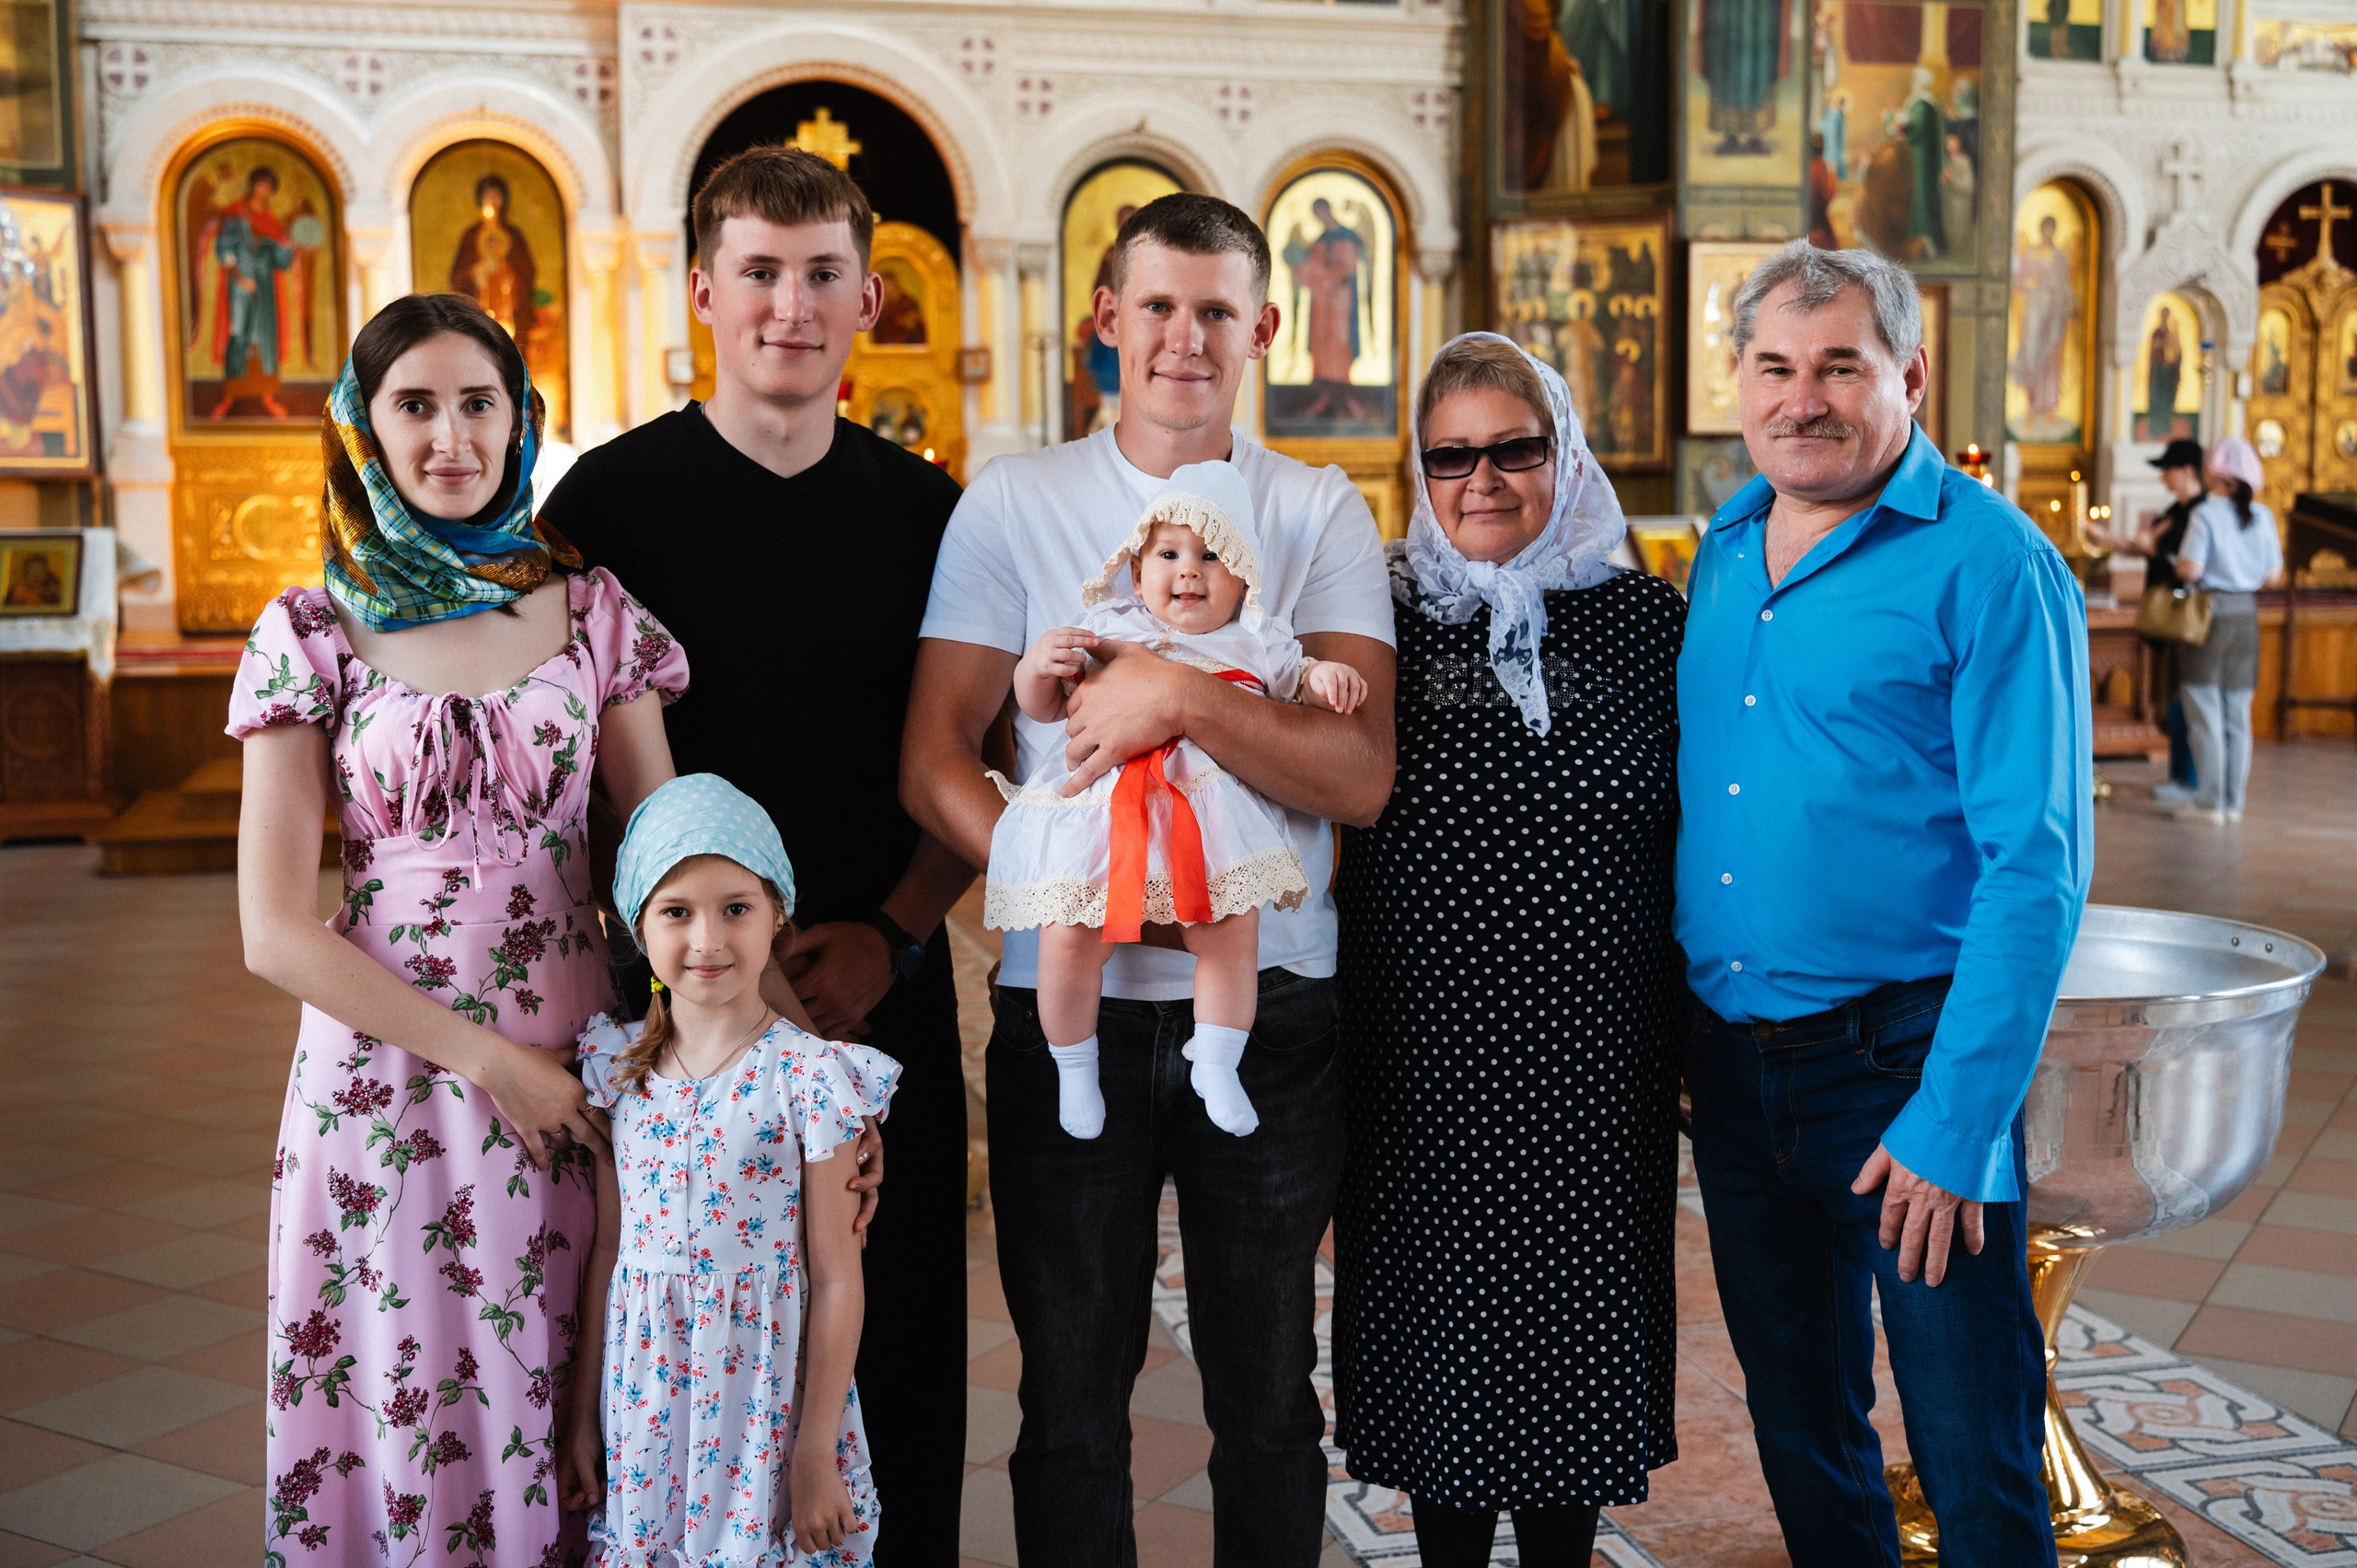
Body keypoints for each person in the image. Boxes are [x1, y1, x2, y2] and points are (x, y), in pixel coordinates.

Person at [901, 192, 1396, 1566]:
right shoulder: (1017, 499)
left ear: (1266, 327)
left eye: (1217, 310)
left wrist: (1178, 695)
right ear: (1107, 317)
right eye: (1159, 305)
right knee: (1068, 1400)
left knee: (1269, 1397)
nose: (1186, 337)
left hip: (1271, 1003)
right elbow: (935, 755)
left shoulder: (1315, 507)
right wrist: (1074, 875)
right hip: (1073, 1006)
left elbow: (1358, 772)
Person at [536, 144, 972, 1562]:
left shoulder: (932, 514)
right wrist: (698, 973)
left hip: (873, 990)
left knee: (894, 1341)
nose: (793, 305)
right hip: (682, 1014)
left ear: (869, 301)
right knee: (683, 1353)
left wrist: (894, 931)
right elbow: (569, 779)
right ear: (702, 292)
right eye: (762, 273)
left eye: (824, 274)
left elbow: (970, 761)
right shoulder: (605, 507)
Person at [233, 293, 689, 1564]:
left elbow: (667, 860)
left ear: (520, 416)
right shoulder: (311, 627)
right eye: (415, 405)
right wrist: (492, 1060)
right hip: (385, 1076)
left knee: (565, 1372)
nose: (451, 436)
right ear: (364, 427)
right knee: (407, 1379)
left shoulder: (593, 613)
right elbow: (273, 929)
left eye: (478, 401)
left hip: (577, 1051)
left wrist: (754, 1052)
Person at [1678, 241, 2091, 1568]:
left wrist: (1956, 1122)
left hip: (1903, 1062)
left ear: (1910, 375)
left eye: (1839, 366)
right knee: (1802, 1418)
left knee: (1970, 1439)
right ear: (1740, 381)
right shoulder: (1726, 545)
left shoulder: (1992, 563)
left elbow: (2036, 864)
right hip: (1735, 1064)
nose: (1801, 399)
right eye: (1774, 366)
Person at [1331, 332, 1683, 1565]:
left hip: (1595, 1059)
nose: (1481, 479)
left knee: (1569, 1348)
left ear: (1563, 454)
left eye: (1513, 448)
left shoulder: (1647, 621)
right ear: (1419, 472)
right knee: (1442, 1356)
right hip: (1418, 1058)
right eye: (1451, 456)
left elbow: (1705, 825)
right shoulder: (1372, 620)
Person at [561, 773, 900, 1565]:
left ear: (778, 914)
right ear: (637, 924)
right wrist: (582, 1416)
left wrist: (814, 1452)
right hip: (648, 1412)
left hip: (765, 1410)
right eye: (677, 911)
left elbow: (837, 1276)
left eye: (736, 908)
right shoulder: (617, 1073)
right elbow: (610, 1253)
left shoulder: (809, 1077)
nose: (708, 939)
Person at [987, 461, 1366, 1140]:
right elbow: (1044, 708)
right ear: (1136, 573)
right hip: (1105, 825)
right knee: (1068, 935)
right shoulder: (1108, 626)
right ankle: (1074, 1065)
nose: (1189, 570)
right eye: (1169, 554)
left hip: (1204, 827)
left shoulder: (1257, 639)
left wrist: (1327, 677)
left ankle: (1217, 1059)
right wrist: (1037, 667)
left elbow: (1299, 679)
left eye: (1212, 556)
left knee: (1231, 933)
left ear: (1243, 578)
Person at [2171, 436, 2286, 826]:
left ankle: (2209, 805)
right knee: (2238, 716)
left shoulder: (2206, 514)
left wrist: (2176, 564)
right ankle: (2234, 804)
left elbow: (2191, 569)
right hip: (2246, 617)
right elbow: (2273, 576)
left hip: (2209, 617)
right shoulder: (2263, 515)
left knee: (2205, 712)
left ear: (2219, 474)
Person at [2086, 437, 2204, 801]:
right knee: (2172, 697)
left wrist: (2152, 548)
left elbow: (2187, 565)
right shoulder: (2174, 511)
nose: (2163, 477)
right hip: (2165, 614)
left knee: (2185, 698)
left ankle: (2190, 780)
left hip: (2184, 614)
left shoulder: (2200, 513)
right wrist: (2104, 536)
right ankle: (2180, 777)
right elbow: (2146, 548)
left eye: (2168, 470)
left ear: (2188, 471)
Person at [213, 165, 299, 417]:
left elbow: (280, 261)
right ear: (252, 185)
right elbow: (224, 250)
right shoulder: (233, 214)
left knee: (266, 337)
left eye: (269, 187)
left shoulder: (271, 221)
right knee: (239, 333)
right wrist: (239, 278)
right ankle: (230, 395)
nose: (265, 191)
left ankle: (267, 396)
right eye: (262, 184)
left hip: (265, 286)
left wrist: (293, 246)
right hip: (240, 285)